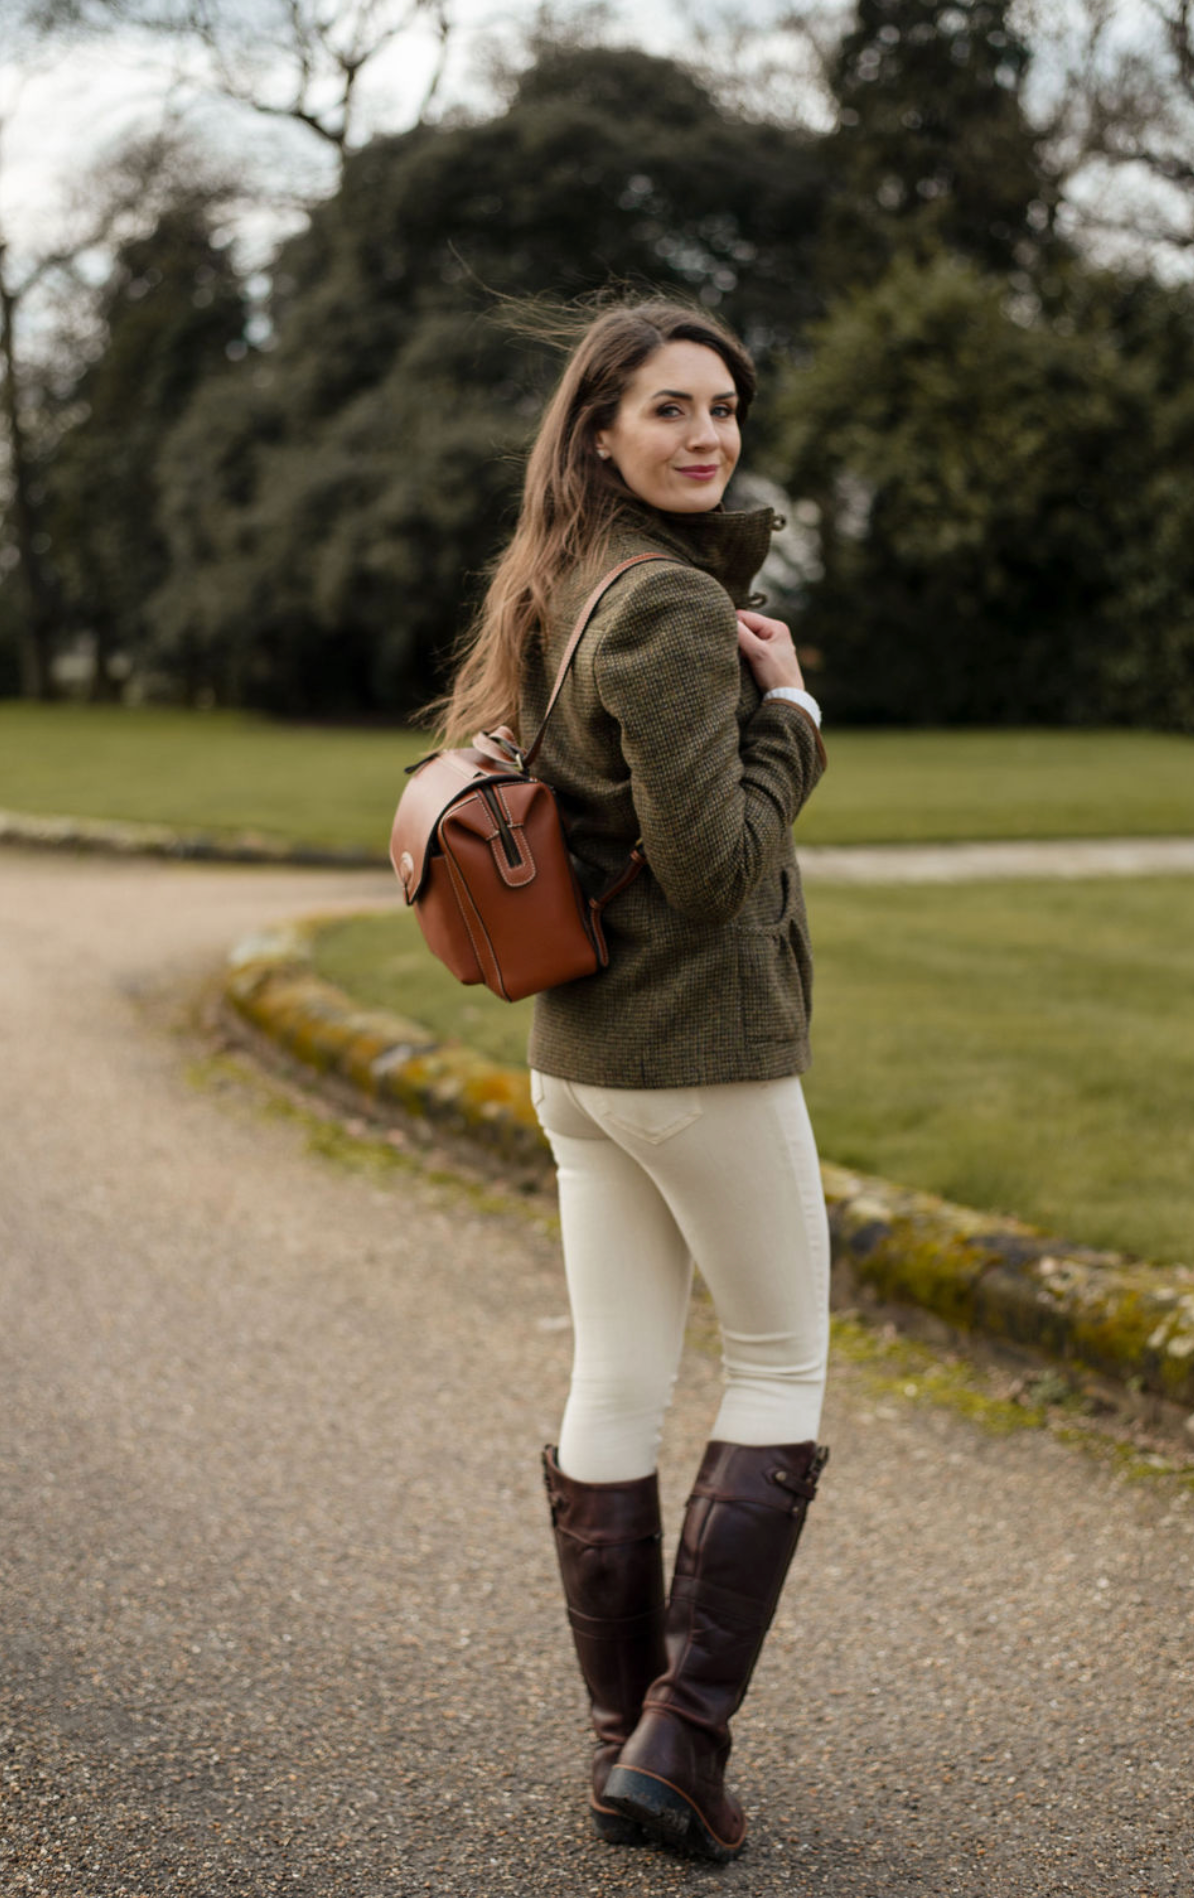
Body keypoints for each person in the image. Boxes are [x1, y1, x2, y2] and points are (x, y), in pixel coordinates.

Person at [430, 298, 830, 1862]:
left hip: (581, 1058)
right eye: (671, 409)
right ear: (602, 429)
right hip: (697, 1055)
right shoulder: (662, 606)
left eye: (724, 406)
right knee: (782, 1365)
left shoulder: (556, 585)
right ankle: (684, 1737)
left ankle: (628, 1742)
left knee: (617, 1377)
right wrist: (791, 717)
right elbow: (718, 871)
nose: (709, 433)